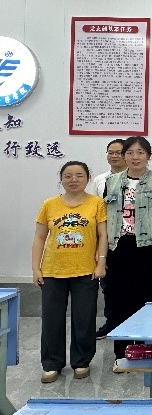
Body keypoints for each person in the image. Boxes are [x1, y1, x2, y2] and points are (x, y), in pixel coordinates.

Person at [31, 161, 107, 384]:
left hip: (85, 271)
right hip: (53, 271)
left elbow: (103, 235)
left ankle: (82, 361)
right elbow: (39, 237)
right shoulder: (49, 204)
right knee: (51, 320)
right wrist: (36, 268)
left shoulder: (96, 203)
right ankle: (51, 363)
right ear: (61, 179)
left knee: (84, 319)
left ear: (87, 179)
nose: (74, 180)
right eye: (68, 176)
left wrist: (101, 263)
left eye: (79, 175)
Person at [103, 136, 152, 369]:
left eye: (141, 152)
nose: (135, 157)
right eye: (130, 152)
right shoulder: (111, 182)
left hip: (148, 247)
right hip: (118, 247)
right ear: (124, 156)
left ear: (148, 156)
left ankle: (144, 348)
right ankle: (121, 353)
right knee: (119, 301)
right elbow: (105, 218)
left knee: (145, 299)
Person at [90, 138, 126, 340]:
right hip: (107, 240)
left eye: (118, 152)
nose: (114, 156)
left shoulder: (138, 179)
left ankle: (131, 324)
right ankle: (111, 323)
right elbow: (93, 211)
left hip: (130, 239)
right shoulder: (99, 180)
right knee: (109, 286)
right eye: (110, 152)